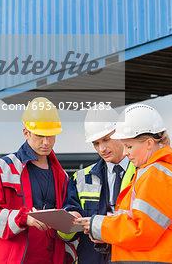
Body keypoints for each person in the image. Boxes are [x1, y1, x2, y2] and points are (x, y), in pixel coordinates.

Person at [75, 104, 172, 264]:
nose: (125, 152)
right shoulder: (152, 173)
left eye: (129, 146)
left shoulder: (156, 175)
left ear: (148, 143)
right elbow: (139, 222)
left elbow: (142, 232)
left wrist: (98, 225)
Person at [0, 97, 76, 264]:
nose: (47, 142)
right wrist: (23, 219)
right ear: (26, 133)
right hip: (13, 259)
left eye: (51, 136)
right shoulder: (1, 169)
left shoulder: (63, 177)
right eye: (40, 135)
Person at [60, 105, 135, 263]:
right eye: (96, 143)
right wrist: (69, 219)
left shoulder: (143, 173)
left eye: (106, 140)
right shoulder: (81, 178)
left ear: (120, 132)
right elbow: (69, 231)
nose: (102, 148)